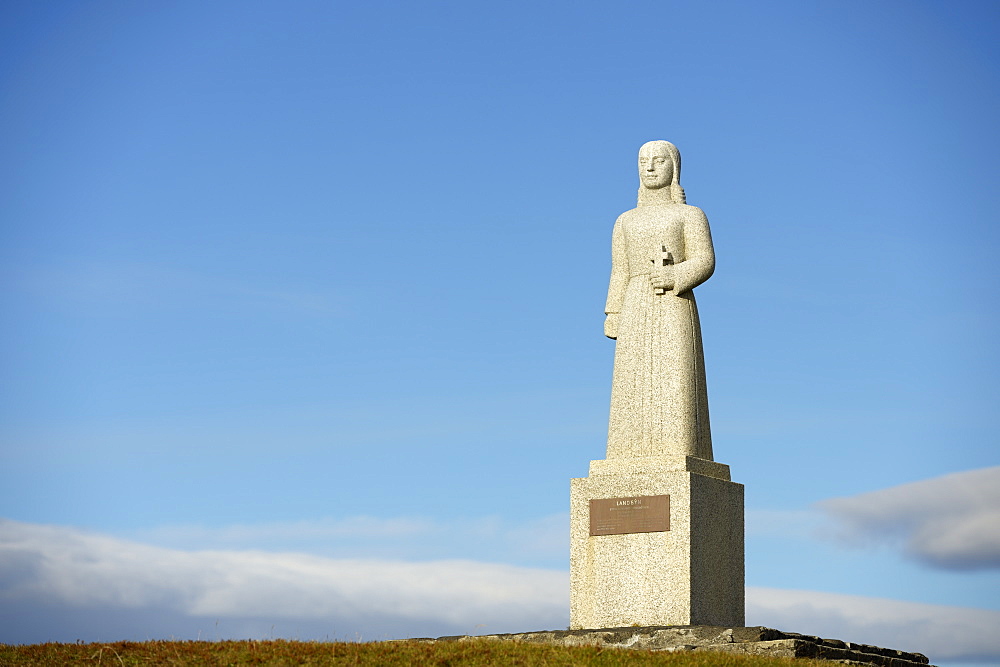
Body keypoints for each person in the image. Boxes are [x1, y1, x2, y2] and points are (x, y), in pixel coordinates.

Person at [604, 140, 715, 461]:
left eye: (659, 161)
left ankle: (678, 449)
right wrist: (613, 310)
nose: (650, 167)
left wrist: (676, 276)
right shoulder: (625, 220)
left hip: (673, 302)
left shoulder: (690, 215)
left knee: (676, 381)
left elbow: (705, 259)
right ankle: (628, 454)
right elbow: (619, 269)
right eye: (643, 161)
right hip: (635, 303)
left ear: (674, 167)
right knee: (631, 384)